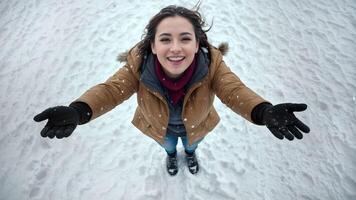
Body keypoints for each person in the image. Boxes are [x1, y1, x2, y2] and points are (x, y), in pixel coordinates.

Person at [33, 5, 310, 176]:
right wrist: (78, 110)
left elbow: (233, 90)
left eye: (185, 38)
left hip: (197, 127)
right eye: (165, 39)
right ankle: (170, 156)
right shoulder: (138, 66)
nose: (175, 48)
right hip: (159, 128)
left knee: (191, 145)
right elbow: (111, 90)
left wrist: (263, 111)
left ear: (197, 42)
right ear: (153, 45)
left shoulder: (212, 64)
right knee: (168, 147)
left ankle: (189, 154)